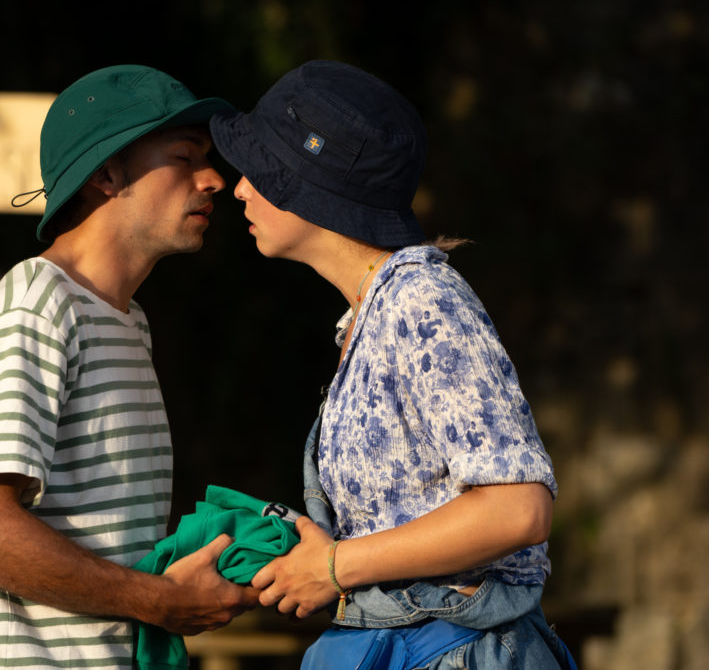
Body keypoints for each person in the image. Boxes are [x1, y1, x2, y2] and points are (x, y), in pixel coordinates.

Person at [209, 61, 575, 668]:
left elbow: (518, 507)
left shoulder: (421, 300)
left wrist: (333, 567)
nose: (240, 188)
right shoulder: (370, 314)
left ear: (312, 183)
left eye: (260, 168)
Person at [0, 65, 259, 669]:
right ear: (107, 174)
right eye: (185, 157)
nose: (213, 180)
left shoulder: (128, 320)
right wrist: (161, 601)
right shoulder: (37, 305)